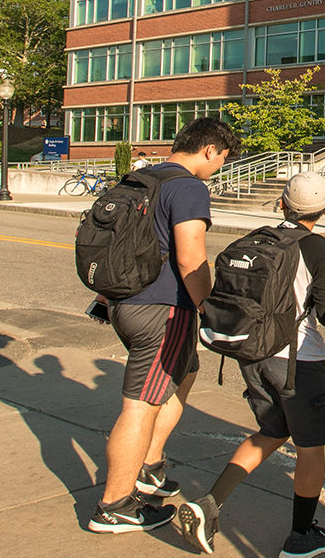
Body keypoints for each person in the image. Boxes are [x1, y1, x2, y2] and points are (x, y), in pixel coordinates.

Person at [176, 172, 325, 558]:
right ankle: (301, 535)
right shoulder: (324, 251)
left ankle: (210, 503)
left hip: (252, 353)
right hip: (297, 360)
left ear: (281, 203)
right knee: (312, 447)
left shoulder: (253, 239)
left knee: (273, 431)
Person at [87, 117, 238, 535]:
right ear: (210, 150)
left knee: (186, 371)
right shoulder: (189, 186)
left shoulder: (139, 178)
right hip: (162, 310)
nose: (219, 167)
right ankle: (114, 505)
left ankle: (149, 465)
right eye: (222, 159)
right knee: (140, 404)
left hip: (122, 302)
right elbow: (191, 257)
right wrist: (209, 306)